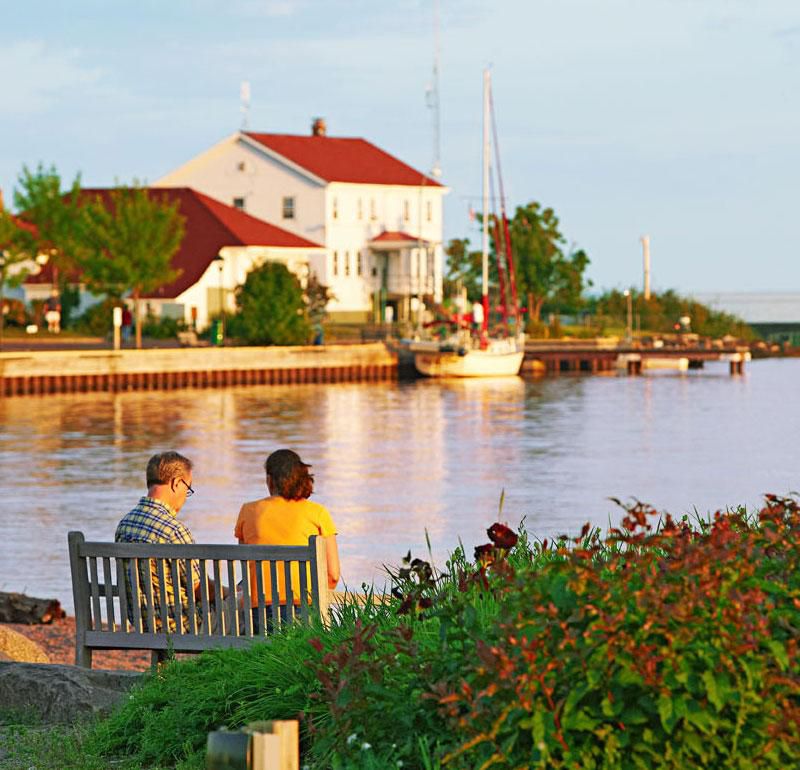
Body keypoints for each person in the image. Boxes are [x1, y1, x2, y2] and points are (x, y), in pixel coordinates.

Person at [234, 449, 340, 632]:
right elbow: (333, 574)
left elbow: (246, 563)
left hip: (259, 613)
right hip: (304, 609)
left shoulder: (248, 511)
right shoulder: (318, 513)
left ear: (269, 480)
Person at [115, 451, 202, 632]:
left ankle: (164, 661)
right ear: (176, 483)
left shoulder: (124, 525)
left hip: (142, 624)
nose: (186, 497)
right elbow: (198, 589)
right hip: (181, 624)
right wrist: (232, 594)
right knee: (246, 612)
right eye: (188, 490)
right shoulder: (174, 530)